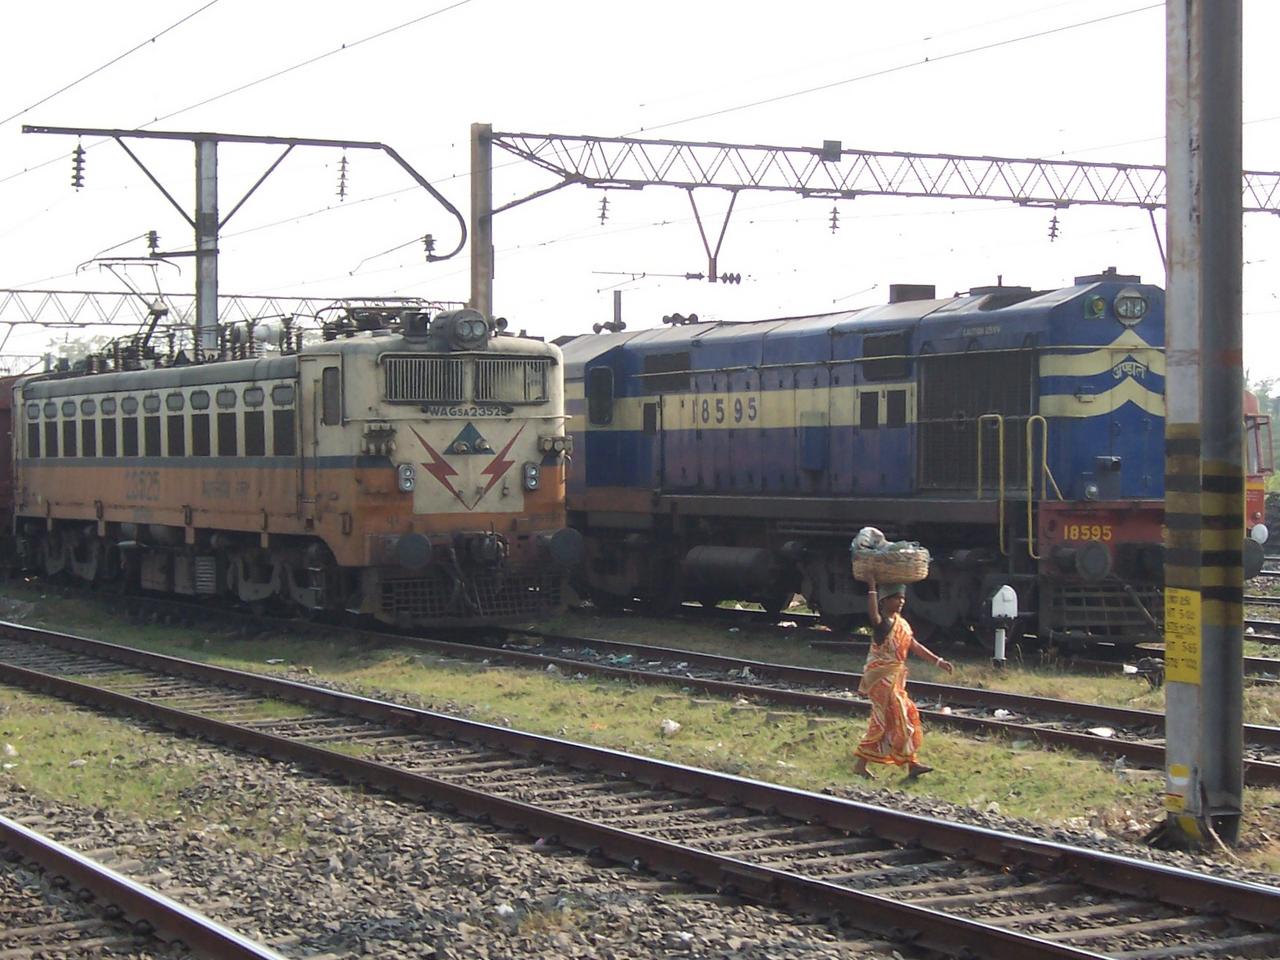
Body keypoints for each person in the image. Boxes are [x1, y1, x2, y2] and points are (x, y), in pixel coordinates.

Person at [852, 579, 953, 780]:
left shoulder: (902, 624)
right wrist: (872, 587)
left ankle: (867, 765)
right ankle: (910, 763)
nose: (901, 602)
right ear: (884, 601)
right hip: (881, 680)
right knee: (897, 717)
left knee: (893, 718)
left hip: (895, 680)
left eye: (903, 598)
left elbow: (914, 645)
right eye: (896, 598)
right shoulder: (883, 625)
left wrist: (938, 661)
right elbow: (873, 615)